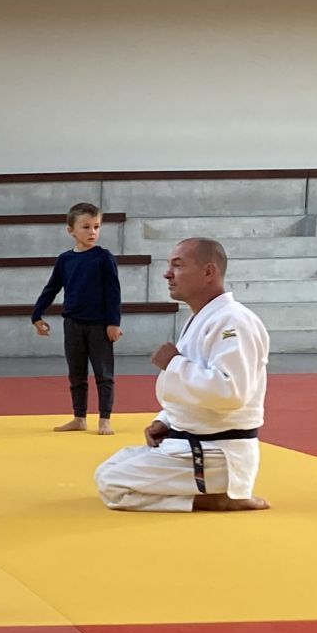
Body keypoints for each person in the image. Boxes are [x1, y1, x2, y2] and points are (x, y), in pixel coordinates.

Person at [95, 237, 271, 512]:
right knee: (110, 468)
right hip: (195, 444)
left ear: (208, 272)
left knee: (113, 484)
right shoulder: (204, 317)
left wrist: (175, 364)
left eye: (177, 265)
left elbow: (231, 392)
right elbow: (200, 391)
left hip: (217, 453)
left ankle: (219, 497)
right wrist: (165, 421)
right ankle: (211, 493)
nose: (167, 274)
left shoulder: (233, 321)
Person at [32, 202, 123, 435]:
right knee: (76, 374)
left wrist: (114, 323)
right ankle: (79, 417)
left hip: (99, 325)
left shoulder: (103, 257)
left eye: (96, 227)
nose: (92, 232)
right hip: (73, 324)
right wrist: (37, 314)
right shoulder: (65, 260)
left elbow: (113, 292)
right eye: (86, 227)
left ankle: (104, 419)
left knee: (104, 374)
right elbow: (52, 288)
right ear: (70, 230)